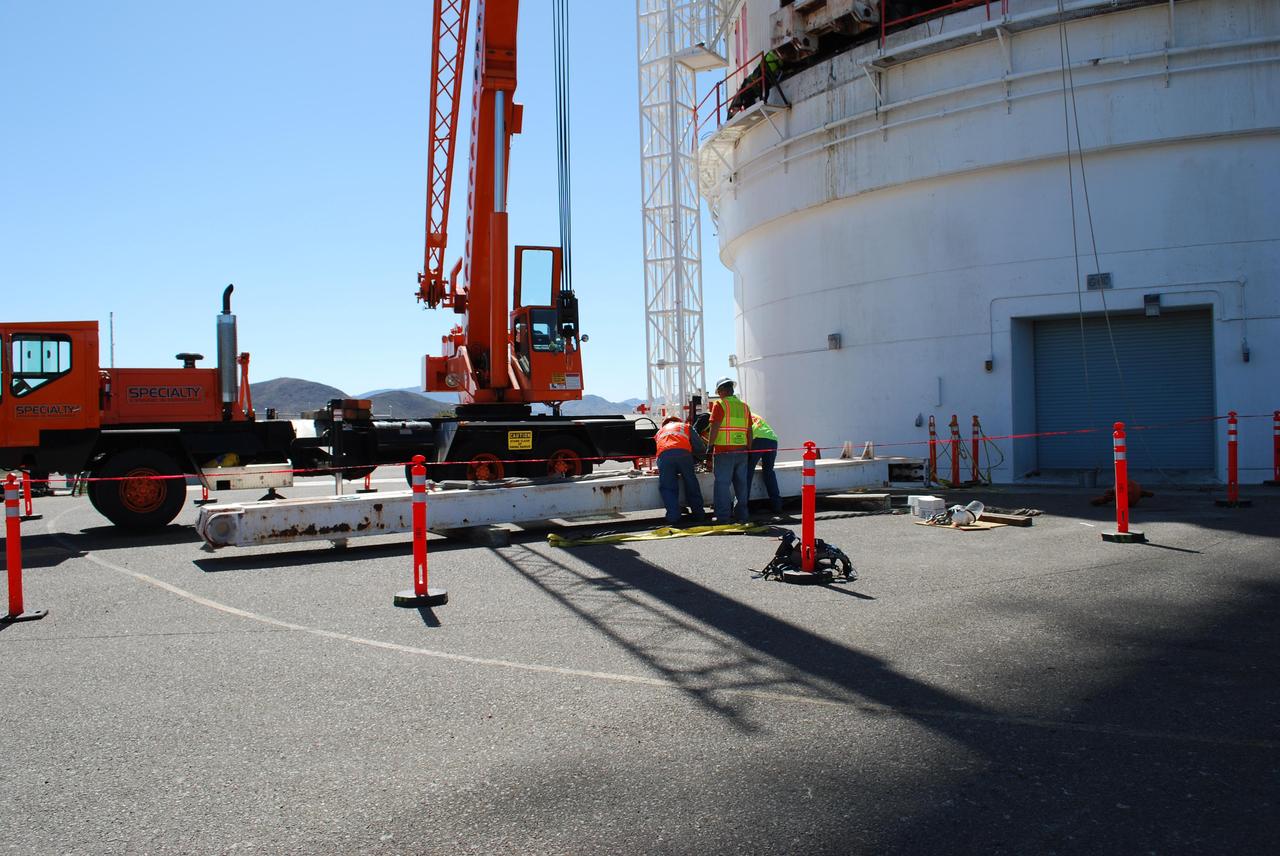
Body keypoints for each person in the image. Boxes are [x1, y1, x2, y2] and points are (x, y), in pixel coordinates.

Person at [705, 377, 752, 524]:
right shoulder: (745, 406)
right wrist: (749, 450)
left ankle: (723, 516)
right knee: (741, 484)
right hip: (742, 451)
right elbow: (749, 430)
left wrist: (710, 446)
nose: (718, 394)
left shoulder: (720, 404)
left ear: (722, 391)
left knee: (722, 484)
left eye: (718, 391)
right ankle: (742, 516)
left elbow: (715, 427)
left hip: (724, 451)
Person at [655, 416, 706, 526]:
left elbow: (658, 449)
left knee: (668, 487)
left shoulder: (660, 431)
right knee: (691, 483)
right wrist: (700, 459)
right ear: (679, 421)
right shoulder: (685, 426)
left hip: (664, 457)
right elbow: (699, 447)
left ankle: (673, 517)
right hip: (684, 455)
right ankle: (699, 515)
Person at [748, 413, 783, 515]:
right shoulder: (755, 415)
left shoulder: (742, 413)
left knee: (748, 472)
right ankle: (777, 505)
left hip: (758, 439)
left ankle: (743, 507)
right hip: (772, 439)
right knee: (768, 472)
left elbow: (747, 433)